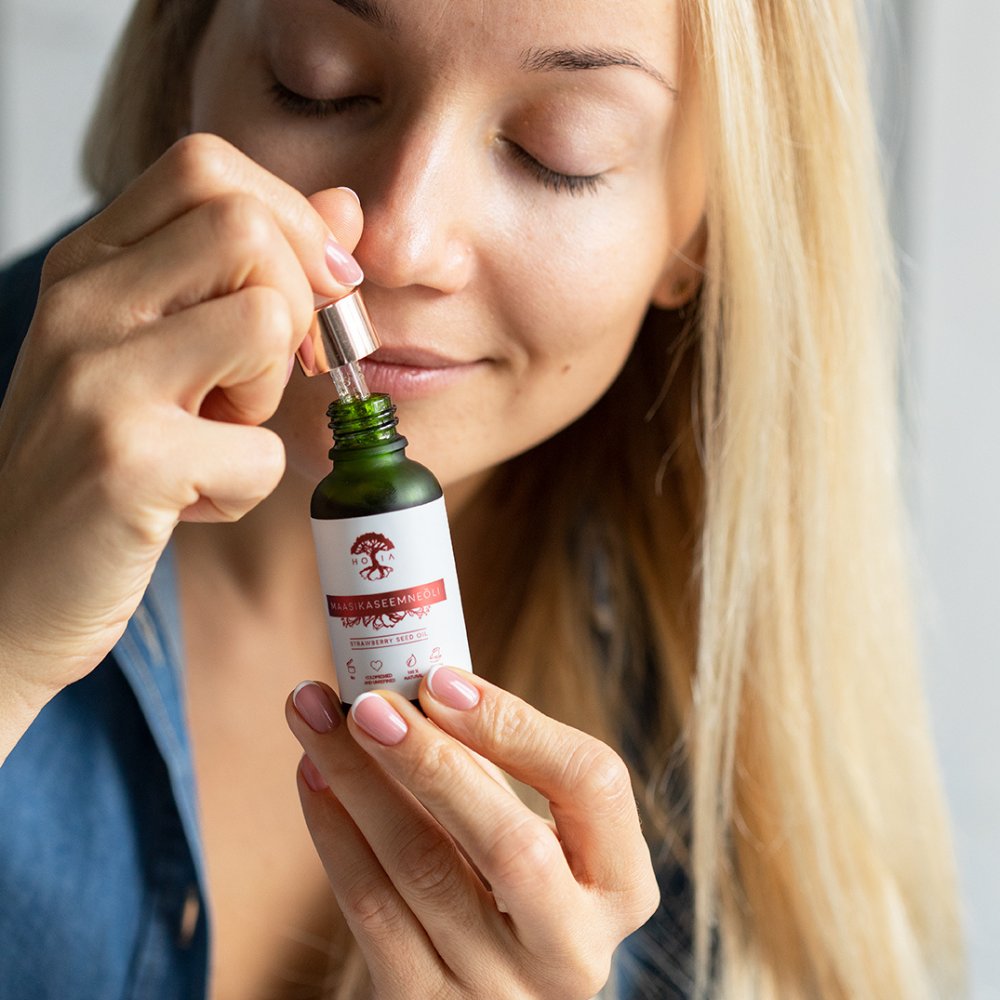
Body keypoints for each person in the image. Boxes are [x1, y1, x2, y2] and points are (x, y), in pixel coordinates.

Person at [0, 0, 966, 997]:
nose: (402, 242)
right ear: (185, 55)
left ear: (705, 228)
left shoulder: (704, 719)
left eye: (560, 152)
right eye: (316, 80)